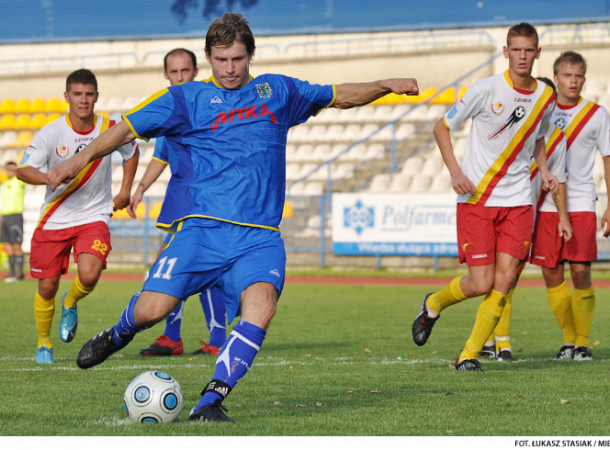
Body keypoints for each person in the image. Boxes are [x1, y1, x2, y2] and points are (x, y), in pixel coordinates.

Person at [47, 12, 418, 421]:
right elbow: (127, 129)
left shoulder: (276, 91)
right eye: (221, 60)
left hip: (259, 237)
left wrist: (384, 85)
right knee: (152, 310)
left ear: (250, 55)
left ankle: (211, 401)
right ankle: (119, 332)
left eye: (238, 59)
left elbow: (337, 94)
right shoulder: (185, 99)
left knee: (261, 306)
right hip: (202, 231)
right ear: (208, 56)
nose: (229, 69)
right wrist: (78, 161)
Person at [412, 22, 558, 372]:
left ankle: (468, 354)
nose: (522, 56)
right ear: (505, 52)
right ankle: (433, 304)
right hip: (477, 198)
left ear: (537, 53)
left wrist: (545, 168)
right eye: (516, 50)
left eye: (529, 50)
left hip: (519, 199)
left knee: (505, 281)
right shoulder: (484, 89)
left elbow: (537, 137)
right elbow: (440, 127)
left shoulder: (546, 97)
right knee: (481, 283)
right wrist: (455, 173)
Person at [17, 68, 139, 364]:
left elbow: (131, 152)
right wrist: (47, 178)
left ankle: (71, 301)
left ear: (96, 96)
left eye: (88, 94)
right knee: (46, 287)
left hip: (93, 216)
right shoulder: (51, 133)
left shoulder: (110, 127)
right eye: (77, 94)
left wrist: (125, 190)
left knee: (89, 273)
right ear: (67, 97)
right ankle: (44, 343)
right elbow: (22, 169)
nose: (83, 100)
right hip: (55, 218)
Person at [128, 48, 227, 357]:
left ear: (195, 72)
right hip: (183, 198)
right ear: (166, 75)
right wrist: (141, 187)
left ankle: (202, 338)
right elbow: (161, 155)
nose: (181, 77)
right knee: (176, 266)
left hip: (204, 198)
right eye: (175, 72)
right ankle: (180, 337)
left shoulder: (210, 103)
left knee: (183, 265)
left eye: (186, 71)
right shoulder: (172, 109)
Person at [529, 51, 610, 361]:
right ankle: (568, 341)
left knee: (580, 271)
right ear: (555, 78)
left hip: (581, 202)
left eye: (579, 76)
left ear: (584, 78)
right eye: (567, 75)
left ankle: (582, 342)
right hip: (545, 205)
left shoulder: (597, 114)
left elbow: (609, 160)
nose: (574, 81)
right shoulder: (544, 113)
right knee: (551, 274)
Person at [479, 77, 572, 362]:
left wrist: (563, 217)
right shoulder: (509, 126)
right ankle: (492, 341)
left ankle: (499, 343)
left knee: (508, 277)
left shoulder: (556, 138)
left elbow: (558, 181)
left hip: (521, 214)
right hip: (492, 207)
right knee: (491, 277)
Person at [0, 161, 26, 282]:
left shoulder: (19, 182)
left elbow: (23, 175)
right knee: (7, 244)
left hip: (15, 216)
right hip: (5, 216)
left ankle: (20, 274)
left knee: (16, 245)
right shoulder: (3, 185)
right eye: (7, 169)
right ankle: (11, 273)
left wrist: (17, 170)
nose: (9, 171)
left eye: (11, 169)